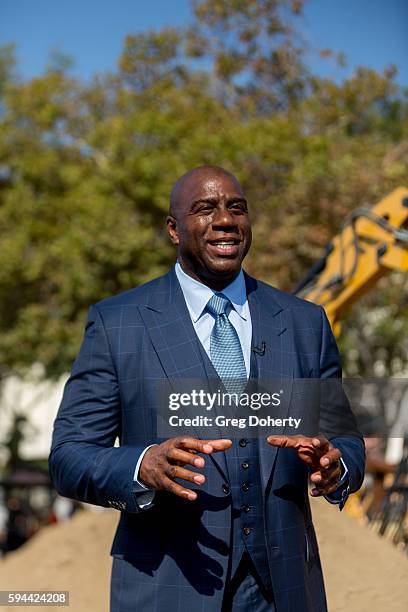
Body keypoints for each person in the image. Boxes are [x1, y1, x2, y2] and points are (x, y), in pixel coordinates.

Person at [49, 166, 365, 612]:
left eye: (237, 208)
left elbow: (345, 438)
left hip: (286, 591)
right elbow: (69, 456)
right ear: (174, 230)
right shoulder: (117, 323)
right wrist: (142, 464)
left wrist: (338, 468)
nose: (224, 220)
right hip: (167, 590)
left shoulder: (303, 323)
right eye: (205, 209)